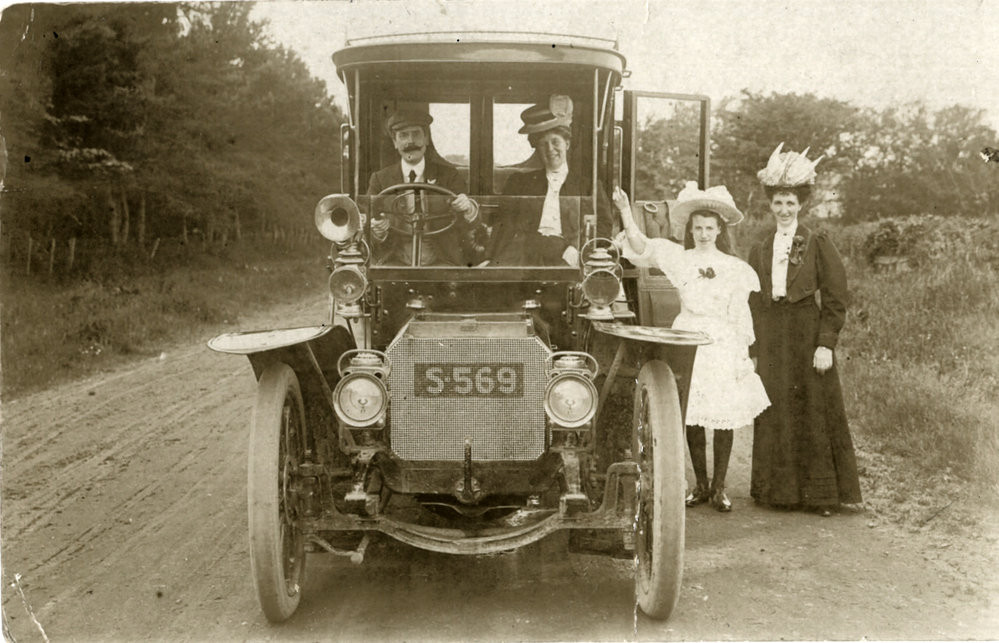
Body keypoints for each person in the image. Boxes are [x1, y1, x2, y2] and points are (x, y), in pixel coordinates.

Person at [614, 182, 770, 512]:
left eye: (709, 228)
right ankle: (699, 484)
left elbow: (741, 313)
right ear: (691, 229)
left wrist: (745, 353)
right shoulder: (679, 258)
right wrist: (626, 212)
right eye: (697, 227)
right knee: (693, 414)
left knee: (722, 414)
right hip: (688, 336)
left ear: (719, 230)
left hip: (721, 340)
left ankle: (719, 487)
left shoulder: (735, 268)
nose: (702, 233)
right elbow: (642, 246)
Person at [748, 143, 862, 516]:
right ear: (771, 205)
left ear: (800, 205)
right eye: (778, 203)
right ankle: (778, 492)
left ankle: (821, 496)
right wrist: (751, 348)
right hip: (771, 334)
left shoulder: (816, 242)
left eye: (790, 203)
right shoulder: (762, 247)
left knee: (811, 409)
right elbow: (753, 299)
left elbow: (835, 297)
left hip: (805, 331)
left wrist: (825, 343)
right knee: (776, 407)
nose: (784, 209)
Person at [490, 95, 612, 265]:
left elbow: (605, 226)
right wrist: (491, 259)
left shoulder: (588, 185)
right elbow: (504, 225)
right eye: (542, 144)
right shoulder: (519, 183)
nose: (550, 150)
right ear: (537, 149)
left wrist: (580, 250)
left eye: (555, 142)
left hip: (570, 259)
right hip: (525, 259)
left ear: (567, 144)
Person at [366, 107, 480, 265]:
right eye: (403, 135)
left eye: (416, 134)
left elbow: (472, 225)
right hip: (394, 260)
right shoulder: (379, 180)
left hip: (442, 261)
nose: (410, 142)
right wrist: (377, 231)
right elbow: (367, 228)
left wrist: (468, 208)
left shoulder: (449, 176)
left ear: (426, 138)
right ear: (395, 142)